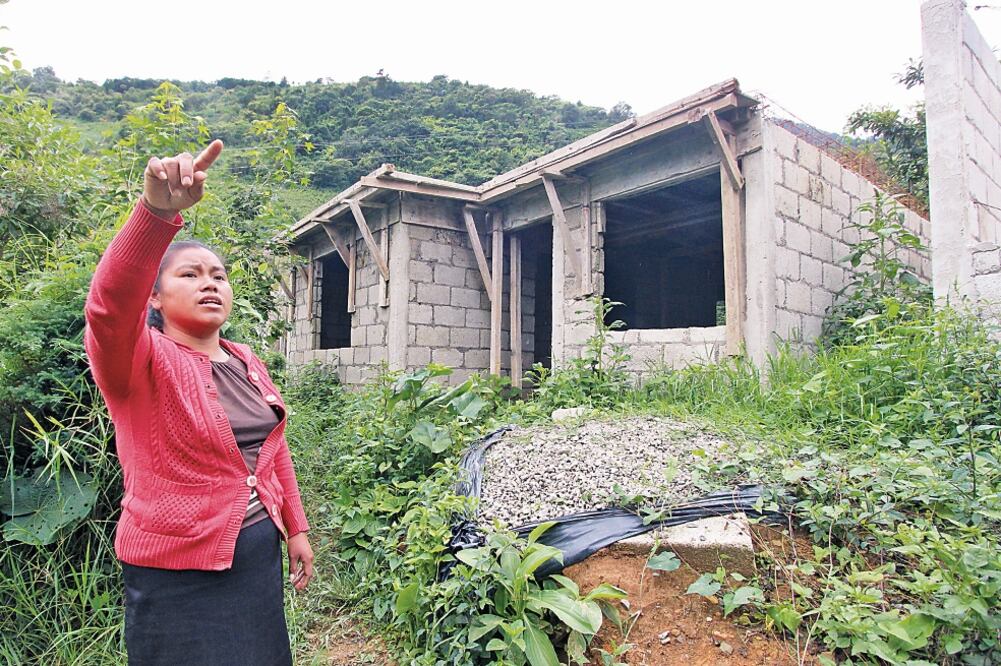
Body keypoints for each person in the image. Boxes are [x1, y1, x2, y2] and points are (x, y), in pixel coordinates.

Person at [84, 140, 314, 665]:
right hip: (176, 574)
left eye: (218, 276)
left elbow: (272, 453)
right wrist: (156, 216)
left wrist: (296, 528)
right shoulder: (138, 363)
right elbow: (106, 310)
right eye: (189, 275)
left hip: (256, 556)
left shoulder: (245, 359)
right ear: (156, 298)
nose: (209, 283)